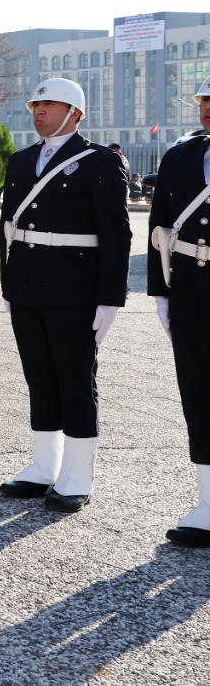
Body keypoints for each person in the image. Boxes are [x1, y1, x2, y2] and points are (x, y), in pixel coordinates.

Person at [0, 77, 130, 513]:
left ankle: (77, 475)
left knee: (75, 381)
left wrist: (110, 299)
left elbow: (116, 234)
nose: (39, 112)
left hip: (76, 291)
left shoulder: (98, 162)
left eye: (50, 105)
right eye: (36, 104)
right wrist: (8, 284)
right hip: (28, 287)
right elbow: (8, 230)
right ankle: (43, 465)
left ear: (75, 113)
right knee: (39, 376)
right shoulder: (21, 161)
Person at [150, 75, 210, 546]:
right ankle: (208, 503)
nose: (206, 108)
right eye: (204, 100)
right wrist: (160, 292)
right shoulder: (181, 154)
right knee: (198, 391)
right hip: (191, 286)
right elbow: (160, 226)